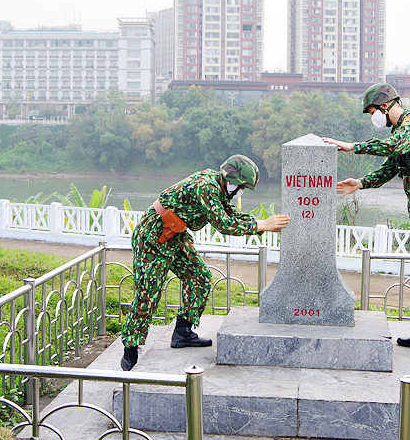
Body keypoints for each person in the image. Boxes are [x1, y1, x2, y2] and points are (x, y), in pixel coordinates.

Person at [324, 83, 410, 365]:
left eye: (372, 111)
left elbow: (395, 146)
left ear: (385, 105)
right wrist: (360, 183)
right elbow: (390, 167)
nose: (373, 117)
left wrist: (353, 147)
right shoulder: (400, 133)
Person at [118, 156, 291, 371]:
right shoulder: (206, 187)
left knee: (199, 278)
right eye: (243, 187)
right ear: (233, 181)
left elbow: (231, 214)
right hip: (152, 237)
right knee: (148, 293)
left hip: (175, 236)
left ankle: (182, 332)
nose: (242, 192)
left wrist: (259, 224)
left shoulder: (219, 188)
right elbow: (224, 224)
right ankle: (130, 351)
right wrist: (262, 224)